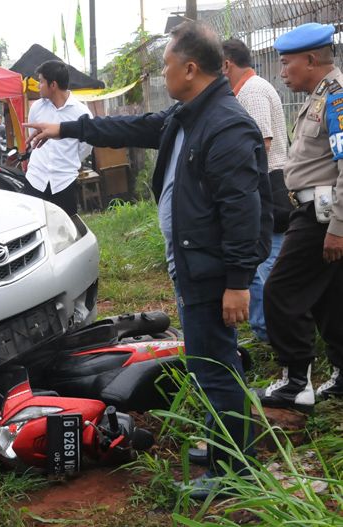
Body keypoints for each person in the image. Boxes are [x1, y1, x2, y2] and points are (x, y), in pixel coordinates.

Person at [26, 21, 272, 499]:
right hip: (192, 262)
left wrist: (239, 281)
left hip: (211, 270)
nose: (164, 73)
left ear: (190, 68)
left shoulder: (224, 124)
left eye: (166, 65)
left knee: (214, 364)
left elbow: (243, 209)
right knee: (209, 361)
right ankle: (227, 442)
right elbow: (130, 126)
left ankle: (235, 472)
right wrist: (65, 128)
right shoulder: (188, 114)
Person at [257, 23, 343, 410]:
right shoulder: (318, 98)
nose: (281, 70)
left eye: (286, 61)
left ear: (311, 60)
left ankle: (295, 381)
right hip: (317, 211)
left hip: (324, 216)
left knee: (280, 291)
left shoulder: (337, 99)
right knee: (331, 297)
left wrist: (338, 228)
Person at [222, 39, 292, 343]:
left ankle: (282, 335)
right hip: (262, 184)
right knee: (257, 264)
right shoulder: (248, 89)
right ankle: (266, 330)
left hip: (269, 184)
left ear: (226, 64)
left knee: (269, 268)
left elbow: (261, 145)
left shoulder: (253, 91)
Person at [24, 60, 93, 216]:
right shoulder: (36, 108)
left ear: (53, 85)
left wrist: (68, 162)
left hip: (64, 183)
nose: (38, 86)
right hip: (36, 180)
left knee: (64, 233)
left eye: (41, 81)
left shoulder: (81, 113)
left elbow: (86, 147)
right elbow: (34, 140)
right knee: (33, 226)